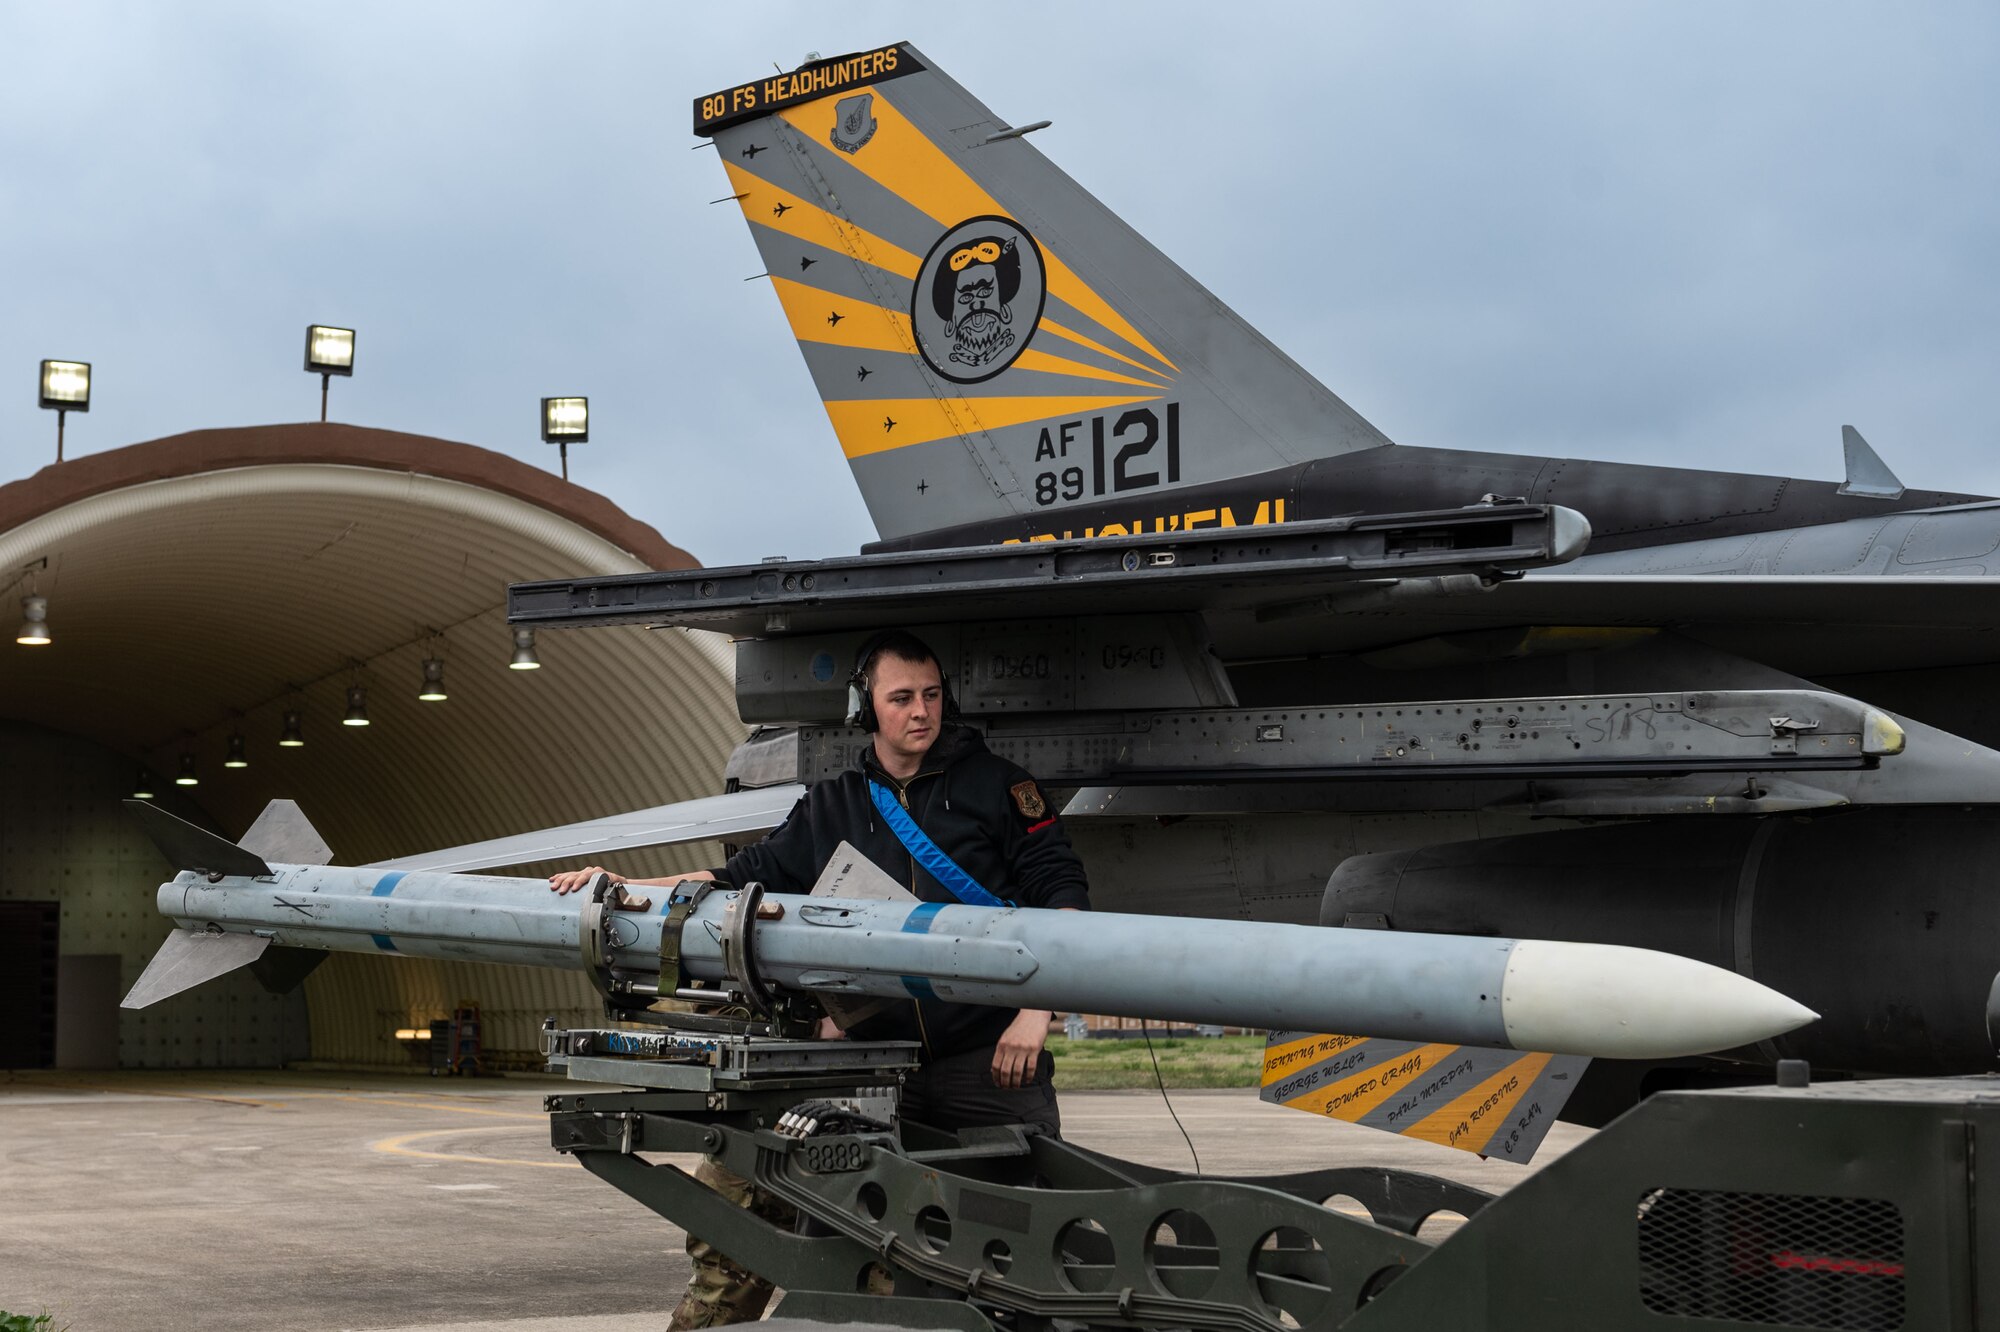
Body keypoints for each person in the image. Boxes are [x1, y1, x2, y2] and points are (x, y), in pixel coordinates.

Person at [549, 629, 1090, 1327]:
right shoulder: (834, 805)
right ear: (868, 708)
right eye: (901, 698)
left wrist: (1033, 1014)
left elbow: (1064, 897)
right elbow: (736, 881)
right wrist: (625, 886)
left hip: (987, 1065)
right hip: (885, 1072)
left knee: (1018, 1253)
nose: (921, 711)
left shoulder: (999, 787)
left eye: (931, 695)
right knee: (892, 1256)